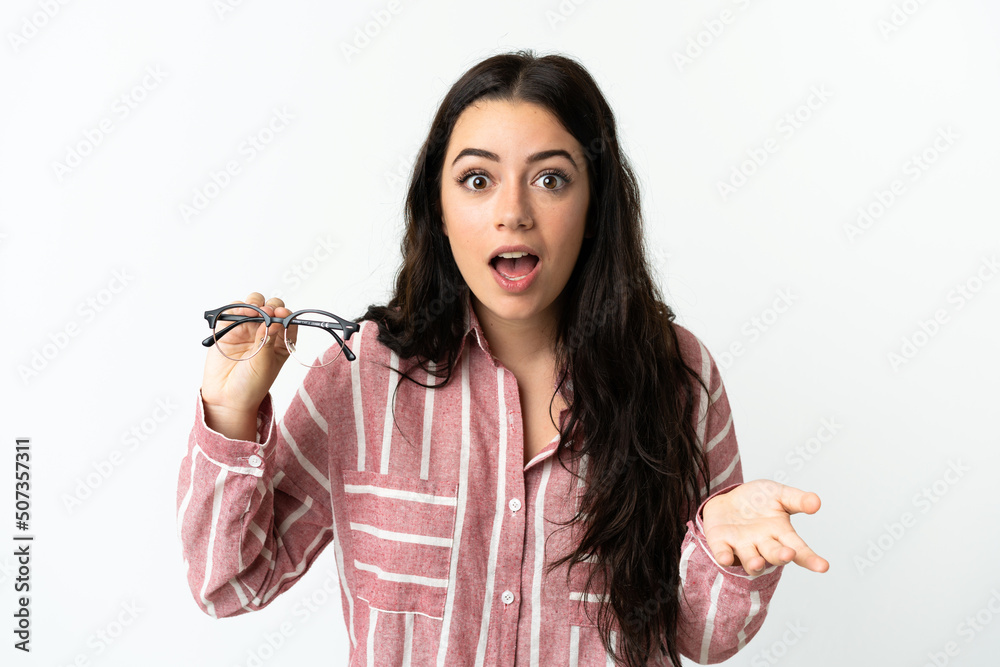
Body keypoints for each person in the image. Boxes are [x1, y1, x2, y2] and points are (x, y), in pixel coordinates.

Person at [176, 49, 828, 666]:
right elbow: (230, 583)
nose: (512, 212)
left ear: (595, 205)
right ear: (439, 206)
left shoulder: (677, 374)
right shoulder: (361, 376)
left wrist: (726, 549)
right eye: (478, 179)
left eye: (550, 178)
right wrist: (230, 413)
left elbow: (702, 638)